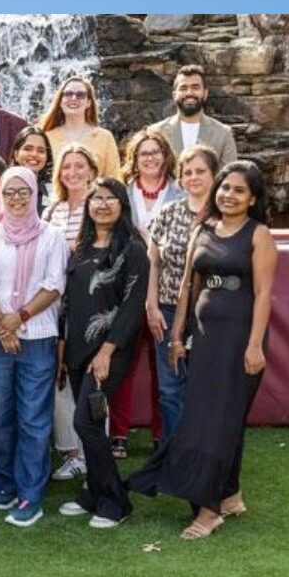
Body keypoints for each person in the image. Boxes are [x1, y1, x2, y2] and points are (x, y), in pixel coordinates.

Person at [127, 161, 275, 539]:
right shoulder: (203, 228)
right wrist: (177, 336)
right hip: (205, 337)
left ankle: (208, 511)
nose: (228, 195)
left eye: (238, 190)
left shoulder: (259, 235)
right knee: (206, 415)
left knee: (220, 421)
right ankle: (230, 495)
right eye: (225, 188)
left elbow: (263, 295)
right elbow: (187, 289)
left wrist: (255, 345)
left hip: (241, 337)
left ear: (253, 198)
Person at [0, 167, 69, 527]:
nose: (16, 199)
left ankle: (30, 493)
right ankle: (3, 484)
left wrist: (20, 317)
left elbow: (54, 285)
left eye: (23, 192)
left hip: (38, 337)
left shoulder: (52, 237)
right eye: (9, 192)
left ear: (34, 194)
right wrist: (3, 323)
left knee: (33, 417)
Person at [57, 177, 149, 529]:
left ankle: (115, 500)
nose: (102, 204)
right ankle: (94, 492)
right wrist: (63, 349)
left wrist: (107, 350)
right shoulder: (80, 247)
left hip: (111, 351)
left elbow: (132, 306)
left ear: (123, 206)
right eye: (96, 198)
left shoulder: (133, 250)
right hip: (78, 350)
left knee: (86, 421)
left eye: (111, 199)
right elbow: (68, 302)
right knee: (87, 423)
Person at [109, 129, 187, 454]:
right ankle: (119, 432)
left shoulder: (181, 192)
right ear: (134, 158)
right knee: (123, 364)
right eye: (144, 153)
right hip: (125, 289)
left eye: (156, 152)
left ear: (166, 156)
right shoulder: (122, 193)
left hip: (166, 291)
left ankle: (161, 432)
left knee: (163, 368)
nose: (150, 158)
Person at [144, 145, 220, 441]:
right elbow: (153, 262)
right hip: (166, 310)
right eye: (187, 172)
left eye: (200, 171)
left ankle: (203, 452)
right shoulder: (167, 213)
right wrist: (151, 305)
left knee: (204, 386)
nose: (193, 177)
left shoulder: (225, 214)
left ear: (215, 175)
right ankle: (173, 454)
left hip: (209, 314)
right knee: (170, 388)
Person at [42, 143, 100, 480]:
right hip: (57, 304)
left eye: (80, 166)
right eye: (67, 167)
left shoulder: (101, 204)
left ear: (92, 170)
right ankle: (72, 452)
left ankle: (93, 449)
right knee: (61, 378)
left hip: (90, 304)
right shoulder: (54, 210)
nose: (73, 172)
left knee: (89, 380)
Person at [148, 65, 238, 165]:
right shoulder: (156, 132)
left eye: (195, 87)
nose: (189, 93)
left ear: (205, 94)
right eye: (183, 88)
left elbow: (229, 176)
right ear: (174, 95)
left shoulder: (223, 134)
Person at [39, 76, 121, 179]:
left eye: (80, 95)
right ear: (60, 101)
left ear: (88, 102)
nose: (74, 98)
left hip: (94, 195)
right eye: (68, 94)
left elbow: (115, 179)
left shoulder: (105, 137)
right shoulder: (46, 137)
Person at [11, 125, 56, 211]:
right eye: (28, 149)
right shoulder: (2, 186)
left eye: (41, 151)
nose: (34, 154)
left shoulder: (50, 190)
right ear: (16, 154)